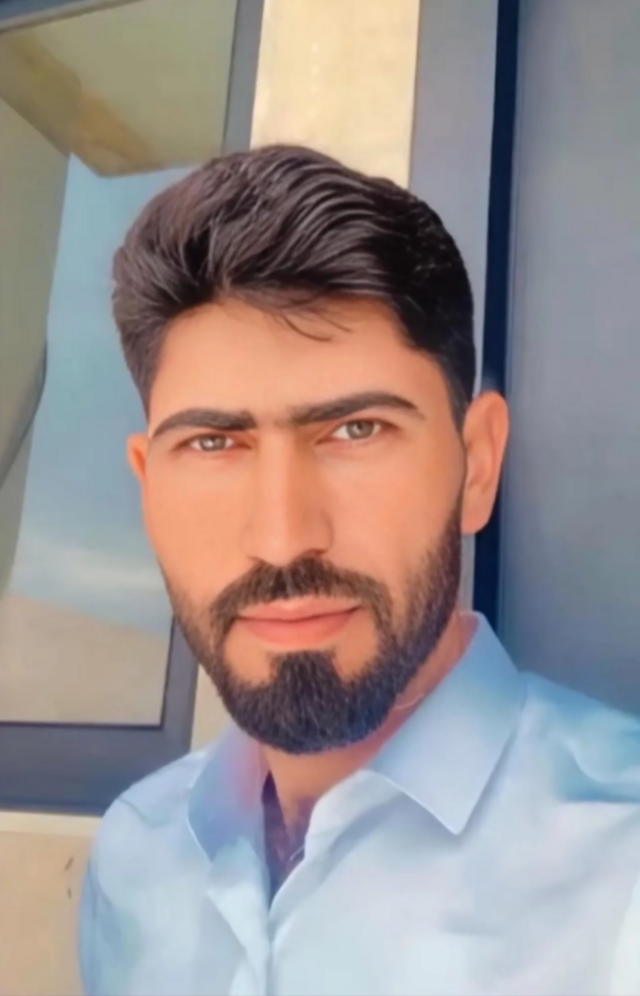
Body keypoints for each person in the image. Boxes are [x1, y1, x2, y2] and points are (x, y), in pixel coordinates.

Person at [79, 145, 640, 996]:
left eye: (355, 431)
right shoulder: (135, 855)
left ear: (477, 465)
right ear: (147, 485)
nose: (282, 539)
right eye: (213, 443)